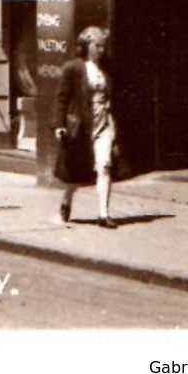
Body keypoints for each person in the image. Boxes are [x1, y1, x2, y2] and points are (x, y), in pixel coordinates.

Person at [54, 25, 120, 230]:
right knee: (76, 174)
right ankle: (66, 200)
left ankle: (103, 214)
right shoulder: (73, 68)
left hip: (103, 124)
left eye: (103, 46)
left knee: (105, 166)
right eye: (97, 46)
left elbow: (113, 97)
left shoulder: (108, 69)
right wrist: (59, 124)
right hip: (81, 126)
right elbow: (61, 99)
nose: (101, 50)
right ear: (87, 46)